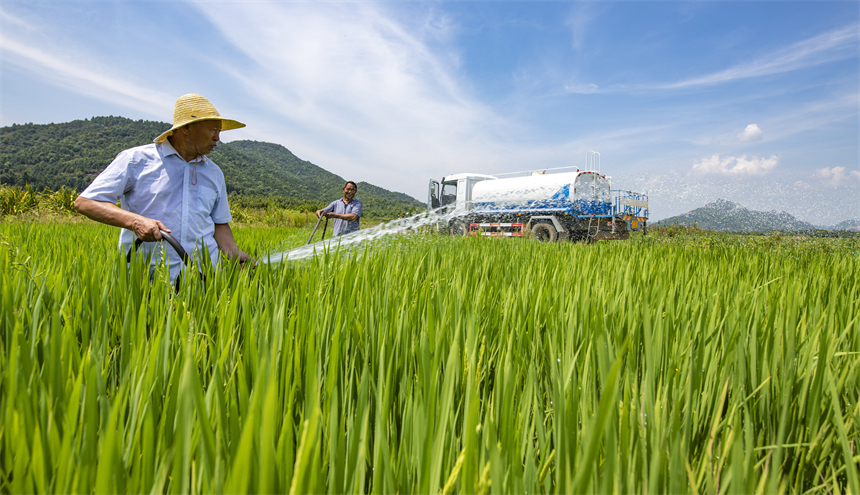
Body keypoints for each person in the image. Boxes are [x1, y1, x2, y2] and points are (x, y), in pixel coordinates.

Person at [74, 93, 252, 281]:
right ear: (187, 128)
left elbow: (219, 222)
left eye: (219, 131)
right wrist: (135, 222)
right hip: (148, 277)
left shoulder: (214, 172)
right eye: (212, 130)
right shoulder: (135, 160)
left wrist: (232, 251)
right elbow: (86, 202)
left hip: (202, 278)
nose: (217, 137)